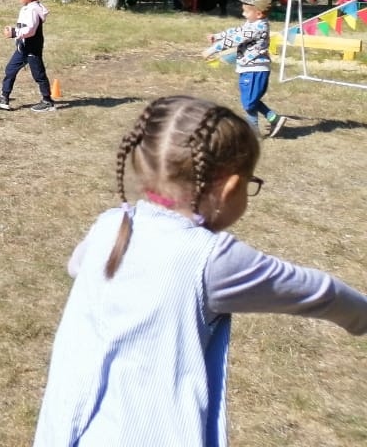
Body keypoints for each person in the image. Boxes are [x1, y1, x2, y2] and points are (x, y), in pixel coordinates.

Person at [33, 95, 367, 446]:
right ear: (231, 187)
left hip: (66, 431)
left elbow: (77, 265)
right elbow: (320, 292)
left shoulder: (111, 224)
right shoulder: (211, 259)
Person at [203, 0, 286, 138]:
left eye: (246, 12)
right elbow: (236, 31)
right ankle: (273, 119)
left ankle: (253, 131)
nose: (243, 14)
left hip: (255, 70)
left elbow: (236, 39)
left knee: (248, 102)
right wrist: (217, 36)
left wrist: (212, 50)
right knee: (250, 100)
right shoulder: (252, 24)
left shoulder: (258, 28)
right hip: (248, 68)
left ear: (258, 14)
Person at [0, 0, 54, 112]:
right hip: (22, 48)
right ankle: (4, 97)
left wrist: (14, 33)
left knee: (39, 75)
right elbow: (24, 27)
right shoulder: (27, 8)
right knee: (10, 69)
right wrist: (15, 30)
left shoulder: (33, 10)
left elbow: (30, 30)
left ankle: (47, 101)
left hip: (32, 49)